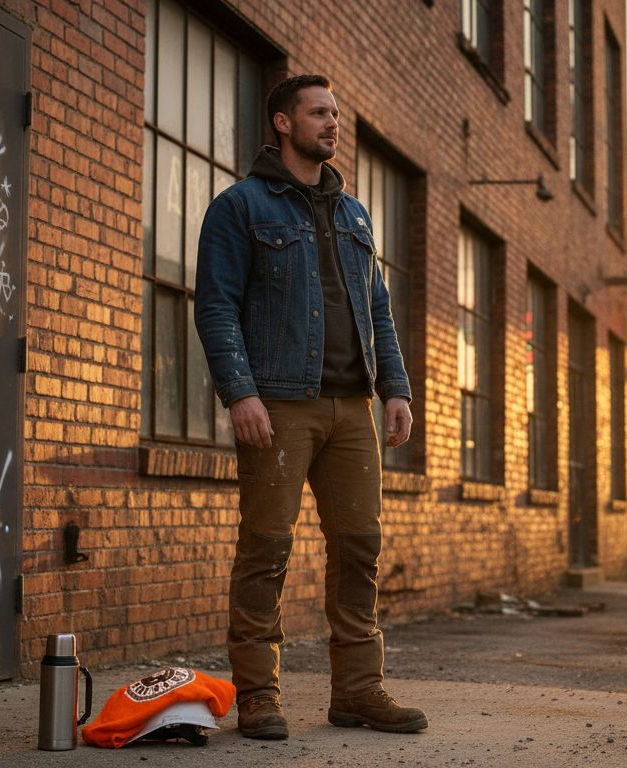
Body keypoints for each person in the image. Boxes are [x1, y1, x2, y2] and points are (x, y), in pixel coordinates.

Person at [194, 74, 425, 740]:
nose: (333, 124)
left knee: (360, 548)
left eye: (335, 114)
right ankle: (258, 696)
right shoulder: (241, 207)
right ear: (283, 123)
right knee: (266, 548)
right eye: (319, 113)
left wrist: (396, 388)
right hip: (281, 404)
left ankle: (358, 690)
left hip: (352, 408)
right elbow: (215, 305)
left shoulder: (354, 214)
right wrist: (241, 392)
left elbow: (376, 306)